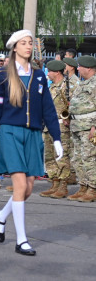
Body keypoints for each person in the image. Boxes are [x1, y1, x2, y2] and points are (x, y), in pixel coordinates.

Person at [0, 30, 61, 256]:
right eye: (24, 43)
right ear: (14, 48)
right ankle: (21, 240)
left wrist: (56, 138)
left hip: (33, 135)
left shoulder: (39, 76)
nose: (28, 46)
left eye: (30, 43)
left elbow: (48, 108)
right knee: (20, 186)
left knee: (27, 189)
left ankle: (1, 216)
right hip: (10, 133)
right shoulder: (2, 76)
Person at [39, 60, 73, 199]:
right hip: (49, 125)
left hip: (61, 126)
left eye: (50, 71)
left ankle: (63, 186)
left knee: (61, 156)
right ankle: (55, 183)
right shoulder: (51, 87)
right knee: (50, 156)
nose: (48, 73)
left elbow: (73, 104)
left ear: (57, 72)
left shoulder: (67, 87)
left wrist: (69, 118)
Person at [66, 56, 96, 202]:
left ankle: (93, 189)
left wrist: (94, 127)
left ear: (89, 68)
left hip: (88, 127)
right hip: (77, 126)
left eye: (80, 66)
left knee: (89, 158)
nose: (77, 68)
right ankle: (83, 186)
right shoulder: (83, 84)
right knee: (78, 158)